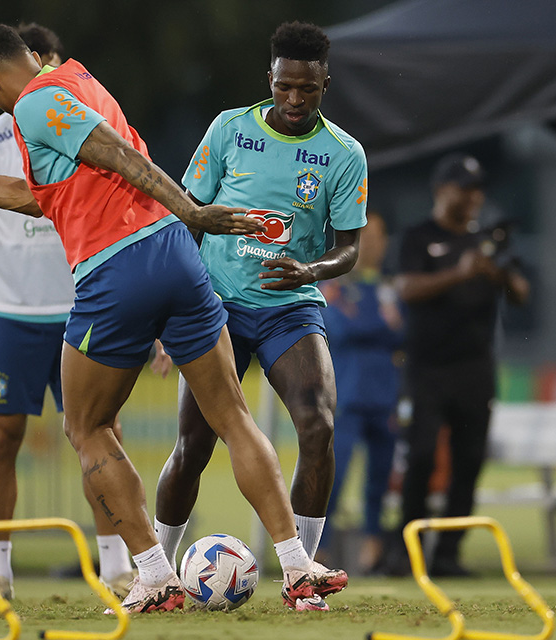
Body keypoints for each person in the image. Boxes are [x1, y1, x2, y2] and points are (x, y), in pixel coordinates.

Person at [0, 24, 344, 613]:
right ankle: (296, 567)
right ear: (34, 56)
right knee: (233, 416)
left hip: (116, 267)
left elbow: (115, 152)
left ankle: (154, 574)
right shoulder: (77, 78)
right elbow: (40, 197)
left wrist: (193, 208)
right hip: (175, 258)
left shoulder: (32, 104)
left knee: (86, 427)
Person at [149, 22, 366, 601]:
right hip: (214, 306)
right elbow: (188, 218)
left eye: (309, 90)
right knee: (193, 447)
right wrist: (174, 314)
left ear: (325, 84)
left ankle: (302, 576)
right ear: (269, 78)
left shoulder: (343, 154)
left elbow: (349, 247)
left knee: (318, 425)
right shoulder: (229, 129)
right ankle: (155, 575)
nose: (295, 100)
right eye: (285, 86)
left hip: (289, 308)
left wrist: (312, 270)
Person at [0, 24, 137, 603]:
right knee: (1, 439)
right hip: (10, 313)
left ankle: (118, 567)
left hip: (82, 305)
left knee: (102, 434)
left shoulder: (80, 127)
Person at [391, 154, 530, 576]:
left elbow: (523, 293)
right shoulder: (419, 237)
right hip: (427, 370)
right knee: (421, 457)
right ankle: (407, 550)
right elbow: (406, 288)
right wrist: (459, 273)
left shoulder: (488, 241)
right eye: (465, 188)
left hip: (475, 370)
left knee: (469, 463)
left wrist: (498, 275)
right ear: (442, 190)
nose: (474, 197)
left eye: (478, 189)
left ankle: (449, 554)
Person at [316, 211, 401, 571]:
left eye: (381, 236)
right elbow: (341, 328)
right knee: (333, 475)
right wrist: (382, 325)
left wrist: (372, 324)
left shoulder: (389, 287)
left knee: (379, 480)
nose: (375, 244)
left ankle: (373, 549)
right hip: (346, 396)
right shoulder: (331, 287)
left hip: (386, 396)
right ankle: (317, 548)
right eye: (369, 236)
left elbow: (404, 333)